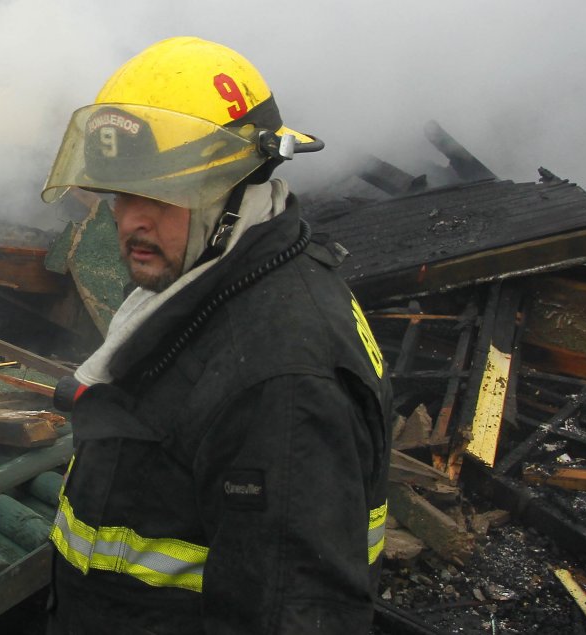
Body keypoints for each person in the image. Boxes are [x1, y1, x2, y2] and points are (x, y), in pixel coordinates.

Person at [40, 36, 394, 634]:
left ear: (242, 186)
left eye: (165, 192)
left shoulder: (281, 381)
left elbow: (297, 615)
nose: (132, 221)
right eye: (124, 192)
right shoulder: (205, 288)